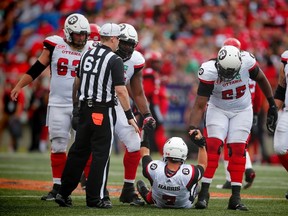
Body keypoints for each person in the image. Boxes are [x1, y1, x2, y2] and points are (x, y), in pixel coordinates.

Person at [54, 22, 140, 209]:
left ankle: (63, 192)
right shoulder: (114, 59)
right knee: (101, 154)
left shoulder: (86, 53)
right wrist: (129, 116)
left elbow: (76, 82)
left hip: (84, 109)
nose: (119, 42)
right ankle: (95, 197)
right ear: (112, 38)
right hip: (102, 110)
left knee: (78, 152)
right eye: (118, 38)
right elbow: (121, 91)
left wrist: (76, 107)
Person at [10, 13, 92, 200]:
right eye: (77, 34)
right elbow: (37, 68)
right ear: (68, 33)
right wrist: (19, 85)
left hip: (83, 104)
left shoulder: (92, 48)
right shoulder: (55, 45)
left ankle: (90, 185)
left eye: (83, 34)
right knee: (58, 145)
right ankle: (58, 187)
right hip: (58, 103)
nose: (81, 38)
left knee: (85, 146)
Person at [188, 45, 277, 211]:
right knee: (213, 146)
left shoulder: (246, 61)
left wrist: (272, 104)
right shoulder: (209, 71)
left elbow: (262, 79)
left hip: (242, 110)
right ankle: (204, 194)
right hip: (218, 108)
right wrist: (192, 127)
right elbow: (200, 104)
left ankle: (235, 198)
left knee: (238, 149)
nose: (228, 75)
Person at [115, 23, 156, 205]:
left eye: (132, 44)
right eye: (125, 43)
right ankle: (92, 186)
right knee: (99, 145)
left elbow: (137, 92)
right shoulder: (102, 53)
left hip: (119, 103)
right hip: (99, 101)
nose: (128, 48)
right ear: (115, 40)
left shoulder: (135, 60)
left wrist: (146, 113)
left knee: (134, 142)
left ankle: (128, 189)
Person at [217, 38, 261, 190]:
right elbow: (260, 90)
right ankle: (247, 169)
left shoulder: (230, 68)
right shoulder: (249, 65)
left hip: (233, 108)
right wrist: (256, 113)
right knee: (239, 144)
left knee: (230, 144)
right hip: (248, 110)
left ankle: (231, 179)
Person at [136, 129, 207, 208]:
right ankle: (202, 199)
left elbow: (145, 153)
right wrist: (201, 145)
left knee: (154, 181)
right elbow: (202, 164)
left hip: (159, 203)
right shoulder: (190, 172)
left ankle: (148, 197)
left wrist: (145, 131)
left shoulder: (155, 168)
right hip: (184, 205)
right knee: (197, 186)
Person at [142, 51, 168, 154]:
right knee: (158, 127)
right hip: (151, 104)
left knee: (155, 128)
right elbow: (148, 91)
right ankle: (162, 151)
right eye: (156, 62)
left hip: (152, 104)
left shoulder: (154, 74)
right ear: (150, 62)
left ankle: (158, 151)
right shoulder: (149, 73)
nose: (159, 64)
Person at [273, 49, 288, 200]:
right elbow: (281, 88)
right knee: (279, 147)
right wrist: (273, 111)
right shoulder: (286, 57)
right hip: (287, 110)